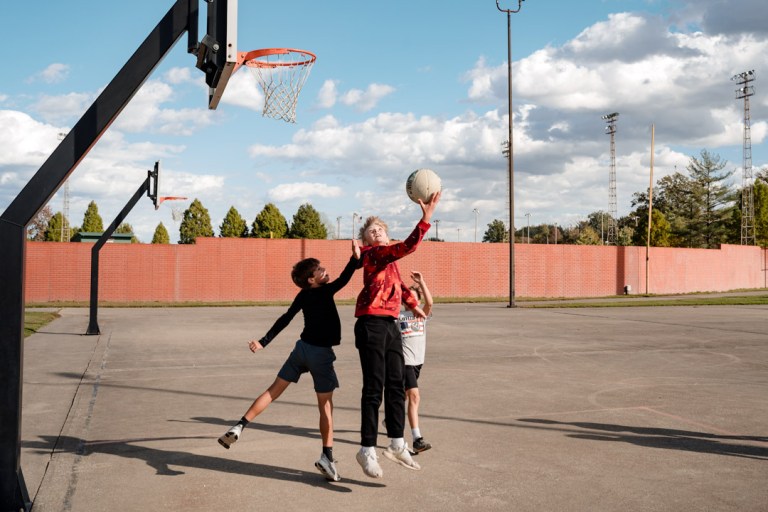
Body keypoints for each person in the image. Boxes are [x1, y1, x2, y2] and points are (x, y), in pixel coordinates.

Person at [218, 240, 360, 482]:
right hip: (320, 354)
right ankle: (327, 456)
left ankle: (239, 426)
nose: (324, 270)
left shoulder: (303, 296)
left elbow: (285, 319)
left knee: (273, 391)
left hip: (301, 350)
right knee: (325, 406)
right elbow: (346, 278)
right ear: (311, 280)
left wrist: (263, 341)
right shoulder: (324, 290)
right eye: (320, 270)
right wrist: (355, 258)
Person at [354, 190, 441, 478]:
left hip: (391, 326)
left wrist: (414, 306)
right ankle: (366, 449)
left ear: (385, 234)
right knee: (373, 387)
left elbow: (402, 287)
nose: (376, 232)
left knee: (395, 386)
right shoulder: (372, 255)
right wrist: (425, 219)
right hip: (371, 324)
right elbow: (405, 248)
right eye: (371, 231)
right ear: (366, 240)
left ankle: (396, 443)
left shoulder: (390, 262)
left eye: (379, 229)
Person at [398, 271, 433, 454]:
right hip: (405, 362)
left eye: (415, 298)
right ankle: (417, 439)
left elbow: (430, 303)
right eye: (408, 299)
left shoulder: (421, 316)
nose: (412, 301)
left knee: (404, 397)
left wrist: (422, 282)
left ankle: (391, 418)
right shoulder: (400, 317)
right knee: (414, 397)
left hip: (418, 362)